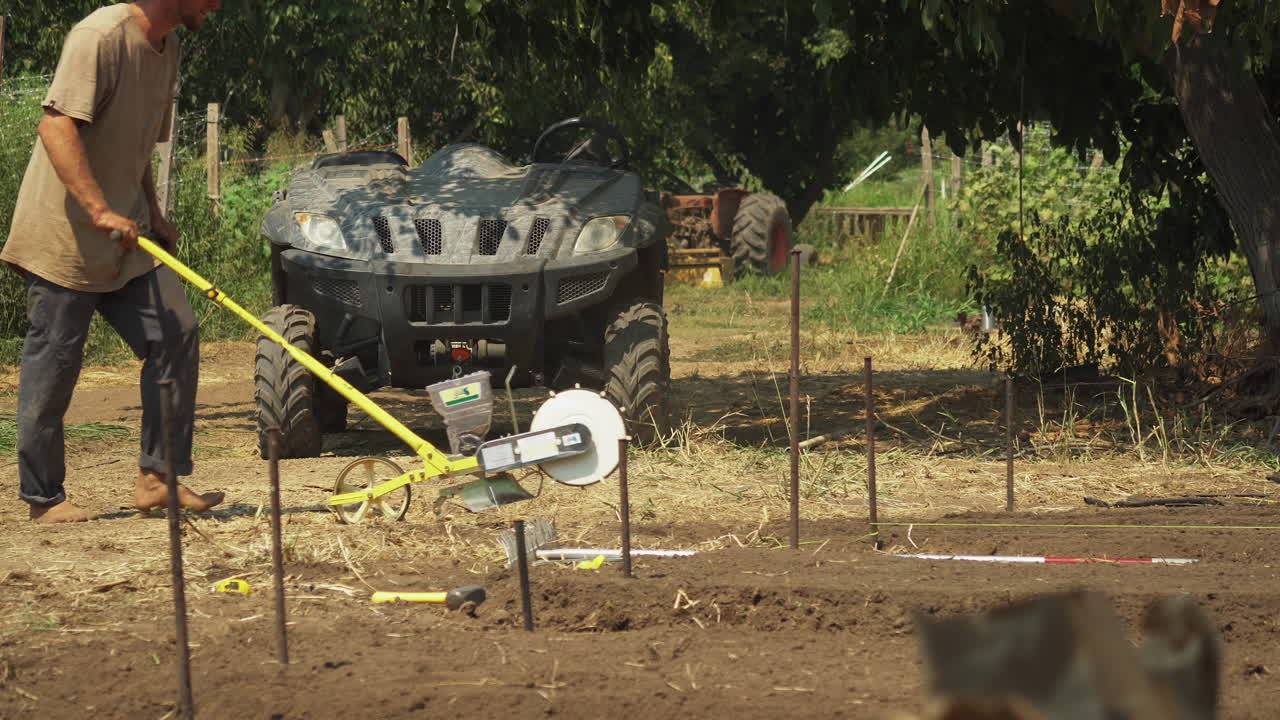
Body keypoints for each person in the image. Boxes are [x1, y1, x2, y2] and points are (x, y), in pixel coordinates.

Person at [3, 1, 225, 524]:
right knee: (54, 368)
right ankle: (43, 499)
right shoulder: (99, 36)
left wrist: (152, 213)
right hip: (64, 239)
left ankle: (158, 478)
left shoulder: (167, 47)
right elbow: (55, 128)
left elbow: (139, 147)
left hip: (126, 242)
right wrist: (99, 208)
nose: (217, 4)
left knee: (176, 333)